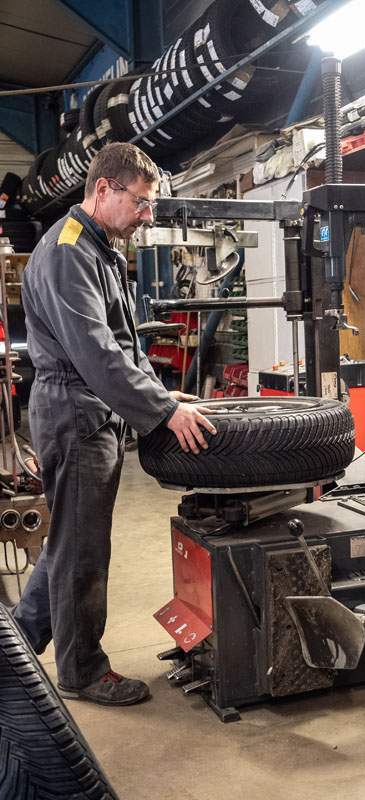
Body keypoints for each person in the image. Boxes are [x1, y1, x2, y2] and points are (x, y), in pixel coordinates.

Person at [13, 142, 217, 706]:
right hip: (74, 411)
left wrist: (158, 391)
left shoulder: (98, 245)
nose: (148, 214)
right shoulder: (69, 251)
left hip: (88, 406)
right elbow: (96, 353)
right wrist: (164, 412)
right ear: (104, 190)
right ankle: (81, 671)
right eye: (143, 202)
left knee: (68, 540)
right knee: (83, 549)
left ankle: (20, 642)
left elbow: (123, 343)